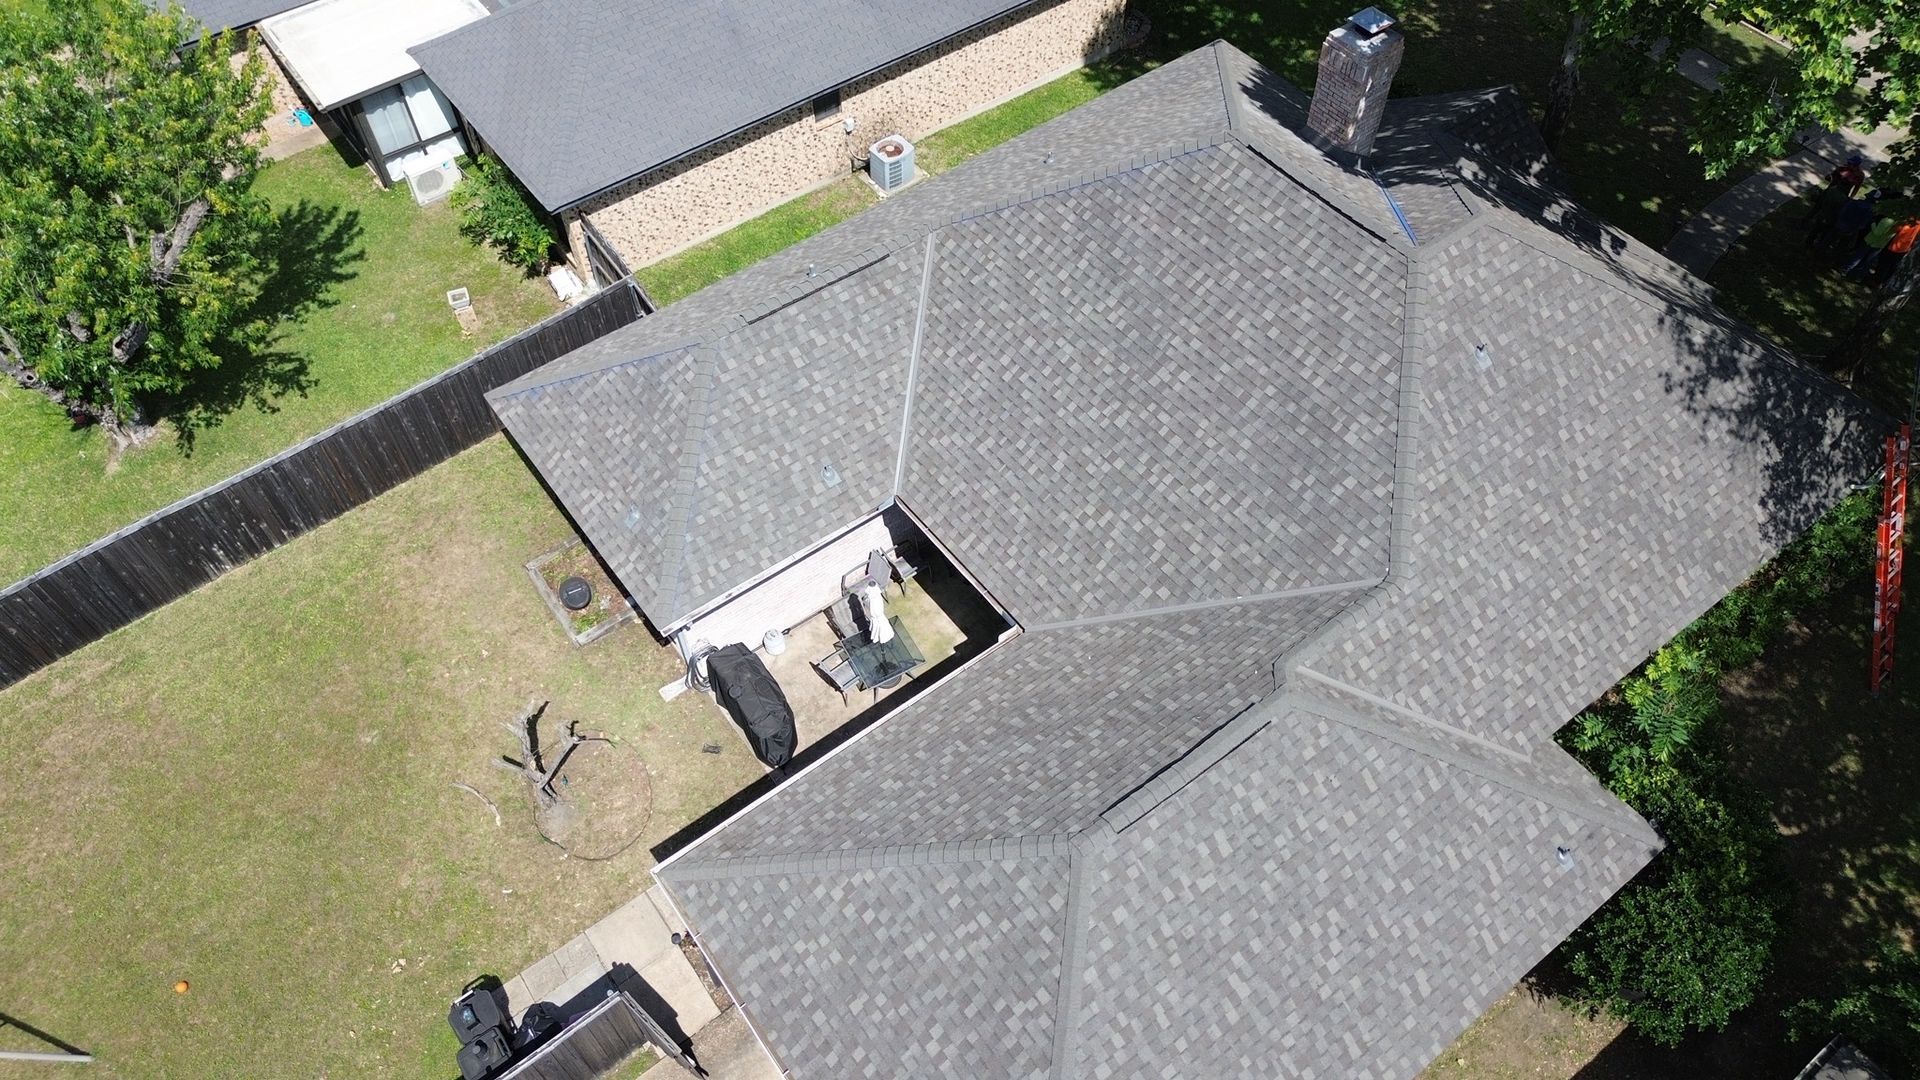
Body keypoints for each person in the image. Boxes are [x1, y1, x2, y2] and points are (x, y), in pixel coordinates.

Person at [1803, 154, 1868, 245]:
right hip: (1830, 191)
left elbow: (1857, 187)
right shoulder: (1843, 169)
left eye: (1850, 163)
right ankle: (1805, 222)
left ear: (1856, 165)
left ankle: (1818, 231)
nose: (1848, 164)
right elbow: (1829, 177)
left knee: (1829, 213)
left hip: (1841, 196)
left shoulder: (1859, 175)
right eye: (1848, 162)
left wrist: (1851, 197)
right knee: (1817, 207)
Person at [1821, 188, 1882, 254]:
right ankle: (1833, 256)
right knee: (1842, 246)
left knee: (1828, 239)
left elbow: (1842, 211)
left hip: (1839, 224)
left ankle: (1819, 250)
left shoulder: (1854, 202)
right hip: (1850, 230)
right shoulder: (1870, 211)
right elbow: (1862, 225)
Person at [1871, 216, 1920, 286]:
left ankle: (1876, 280)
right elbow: (1917, 238)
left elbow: (1896, 229)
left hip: (1895, 246)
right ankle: (1883, 282)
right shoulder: (1917, 226)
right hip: (1903, 249)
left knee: (1884, 264)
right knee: (1892, 266)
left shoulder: (1908, 221)